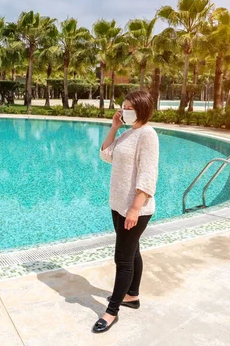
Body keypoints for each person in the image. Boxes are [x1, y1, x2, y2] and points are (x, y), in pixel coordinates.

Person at [93, 90, 160, 333]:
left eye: (129, 107)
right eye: (123, 107)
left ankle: (111, 312)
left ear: (141, 109)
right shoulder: (128, 133)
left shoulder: (147, 135)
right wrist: (114, 126)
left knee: (122, 259)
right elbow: (105, 154)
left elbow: (148, 174)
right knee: (133, 252)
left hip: (135, 209)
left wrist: (134, 208)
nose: (124, 110)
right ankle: (132, 295)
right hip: (119, 205)